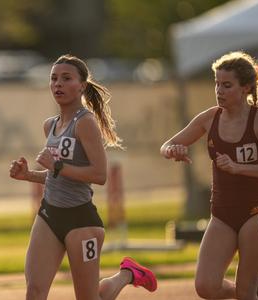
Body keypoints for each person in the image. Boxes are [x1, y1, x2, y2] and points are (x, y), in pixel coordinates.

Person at [9, 54, 157, 300]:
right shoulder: (50, 125)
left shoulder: (85, 123)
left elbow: (99, 176)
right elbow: (57, 177)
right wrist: (28, 175)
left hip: (81, 221)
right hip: (49, 215)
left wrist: (56, 167)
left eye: (66, 78)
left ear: (82, 86)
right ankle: (127, 274)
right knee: (34, 291)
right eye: (54, 78)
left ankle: (127, 274)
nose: (58, 84)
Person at [160, 51, 258, 300]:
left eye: (226, 85)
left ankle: (251, 290)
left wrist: (239, 167)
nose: (219, 90)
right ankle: (257, 289)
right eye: (216, 84)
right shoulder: (210, 118)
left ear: (245, 88)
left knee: (245, 290)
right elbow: (167, 144)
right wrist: (172, 150)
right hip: (222, 214)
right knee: (205, 286)